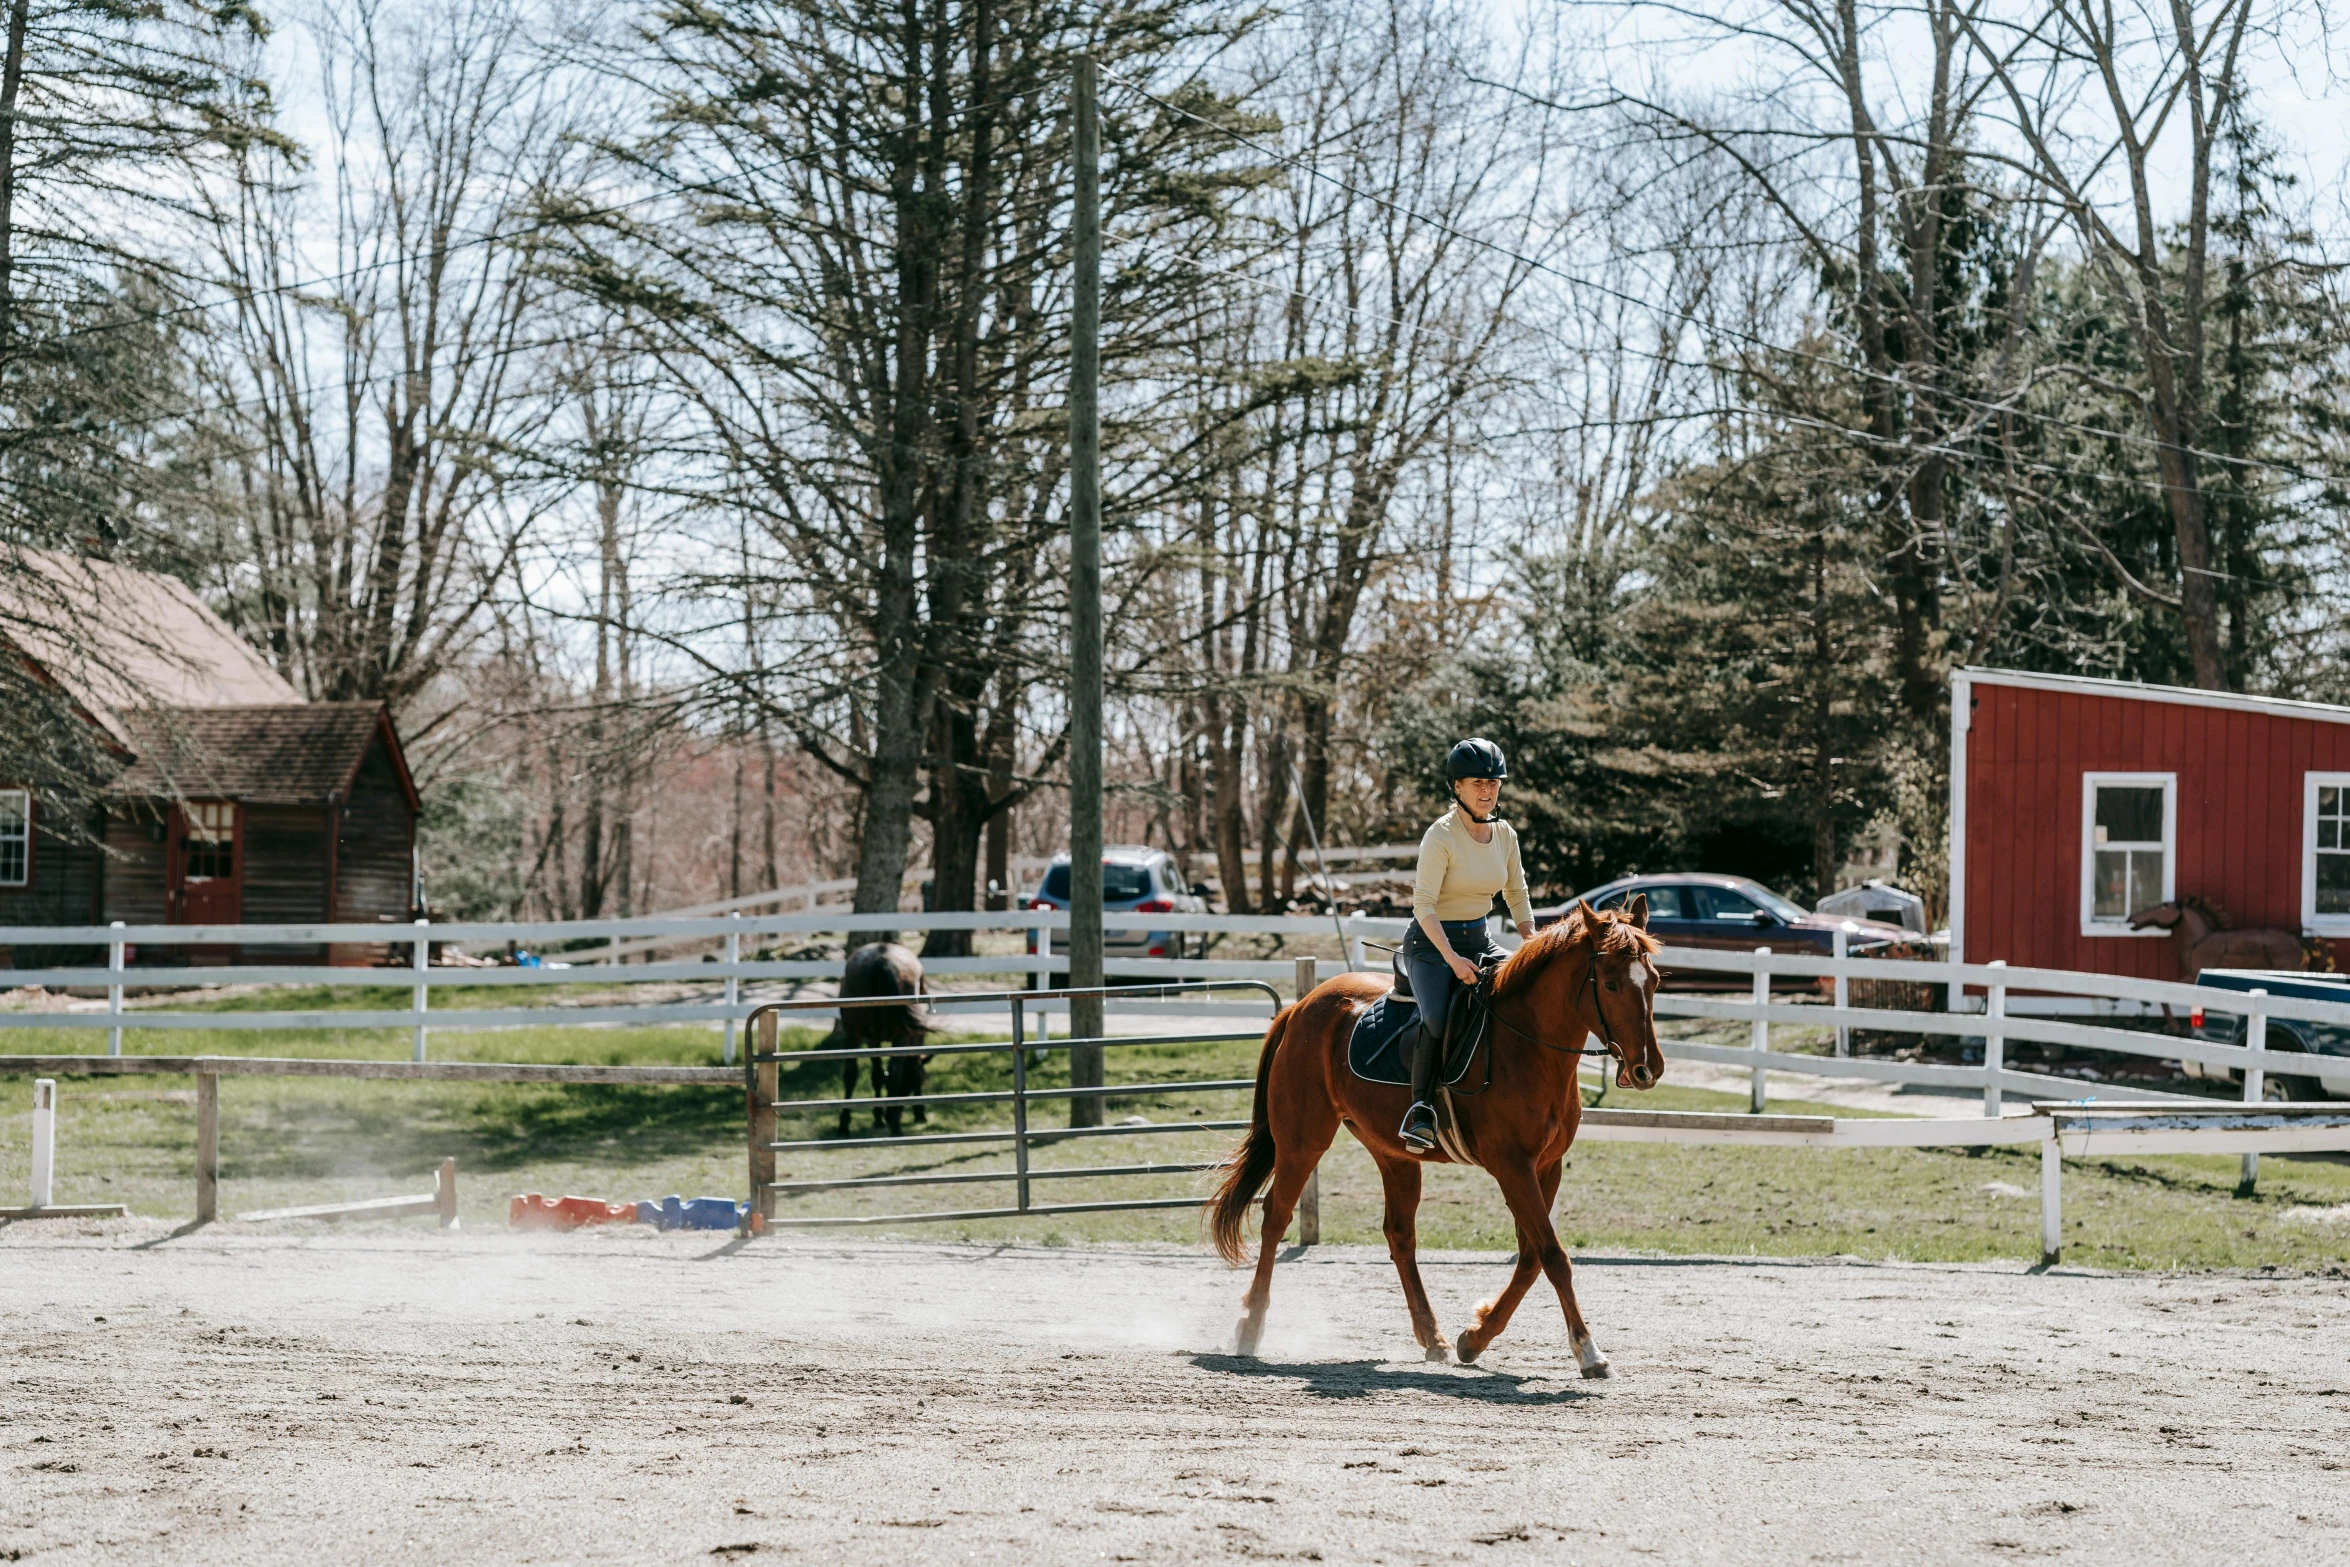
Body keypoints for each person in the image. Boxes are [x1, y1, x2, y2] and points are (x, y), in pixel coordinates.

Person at [1398, 738, 1535, 1153]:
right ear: (1456, 786)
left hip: (1480, 939)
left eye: (1494, 782)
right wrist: (1451, 959)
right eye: (1478, 782)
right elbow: (1422, 905)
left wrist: (1533, 943)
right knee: (1437, 1017)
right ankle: (1421, 1108)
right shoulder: (1440, 835)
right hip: (1431, 944)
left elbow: (1517, 892)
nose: (1487, 790)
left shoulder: (1505, 833)